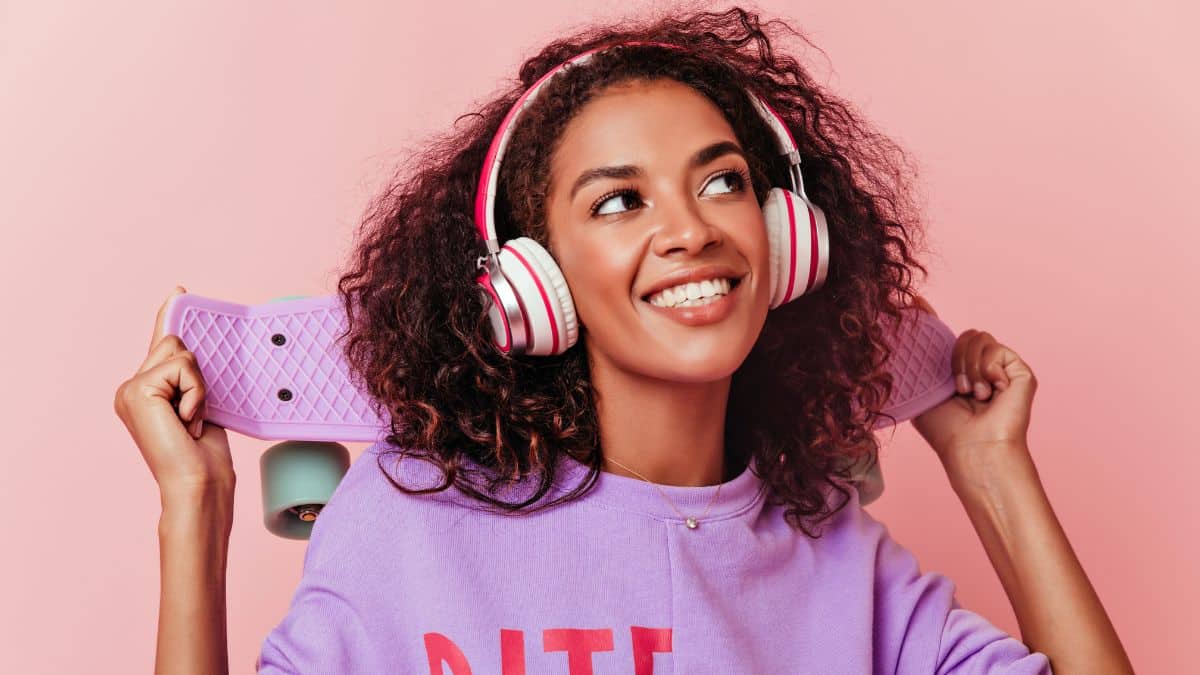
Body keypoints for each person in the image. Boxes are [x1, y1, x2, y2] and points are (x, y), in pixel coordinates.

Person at [113, 7, 1134, 674]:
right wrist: (194, 513)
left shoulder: (835, 558)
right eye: (619, 202)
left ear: (787, 238)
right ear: (532, 280)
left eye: (724, 181)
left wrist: (994, 468)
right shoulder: (411, 520)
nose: (690, 228)